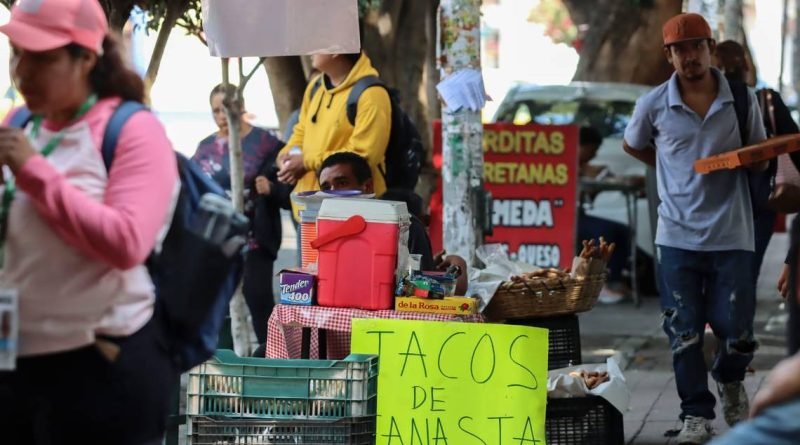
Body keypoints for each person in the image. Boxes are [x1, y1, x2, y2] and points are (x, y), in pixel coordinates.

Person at [0, 0, 179, 443]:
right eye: (16, 53)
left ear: (86, 58)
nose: (22, 71)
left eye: (42, 58)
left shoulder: (133, 130)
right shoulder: (20, 121)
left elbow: (126, 243)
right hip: (16, 363)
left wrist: (34, 173)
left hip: (102, 367)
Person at [623, 13, 767, 444]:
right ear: (669, 56)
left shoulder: (741, 99)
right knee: (684, 331)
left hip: (733, 234)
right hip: (677, 237)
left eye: (697, 46)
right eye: (680, 50)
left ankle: (729, 377)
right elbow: (633, 143)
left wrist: (739, 162)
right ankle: (696, 416)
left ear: (710, 49)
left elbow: (759, 157)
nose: (690, 57)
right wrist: (673, 170)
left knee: (737, 331)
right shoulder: (653, 104)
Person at [192, 84, 290, 346]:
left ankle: (272, 363)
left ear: (240, 106)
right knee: (219, 305)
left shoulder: (267, 145)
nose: (221, 116)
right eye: (215, 111)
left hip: (255, 238)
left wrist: (271, 189)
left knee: (259, 300)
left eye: (226, 109)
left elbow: (291, 190)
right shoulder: (206, 148)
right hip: (218, 239)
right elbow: (192, 190)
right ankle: (224, 365)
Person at [317, 152, 468, 295]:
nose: (333, 192)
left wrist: (453, 266)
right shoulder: (318, 229)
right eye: (326, 188)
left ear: (367, 186)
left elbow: (427, 291)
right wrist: (458, 263)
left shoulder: (405, 226)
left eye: (342, 183)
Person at [277, 51, 391, 220]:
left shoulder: (371, 95)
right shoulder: (315, 87)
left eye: (320, 41)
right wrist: (286, 157)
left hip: (353, 215)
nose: (311, 50)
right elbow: (301, 131)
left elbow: (364, 155)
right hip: (309, 211)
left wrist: (305, 162)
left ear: (337, 49)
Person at [576, 126, 642, 304]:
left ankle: (614, 281)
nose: (594, 155)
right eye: (592, 150)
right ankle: (599, 285)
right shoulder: (564, 167)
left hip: (579, 217)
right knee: (605, 233)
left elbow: (610, 179)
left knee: (622, 230)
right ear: (578, 146)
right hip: (564, 221)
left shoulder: (590, 168)